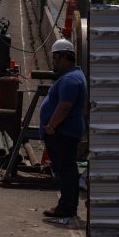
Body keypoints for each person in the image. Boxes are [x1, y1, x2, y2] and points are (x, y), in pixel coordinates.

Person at [40, 39, 87, 218]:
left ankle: (66, 207)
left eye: (55, 58)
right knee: (66, 169)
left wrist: (52, 125)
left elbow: (65, 105)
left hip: (63, 133)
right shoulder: (72, 76)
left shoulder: (70, 79)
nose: (54, 62)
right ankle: (67, 205)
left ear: (65, 57)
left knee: (66, 170)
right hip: (65, 132)